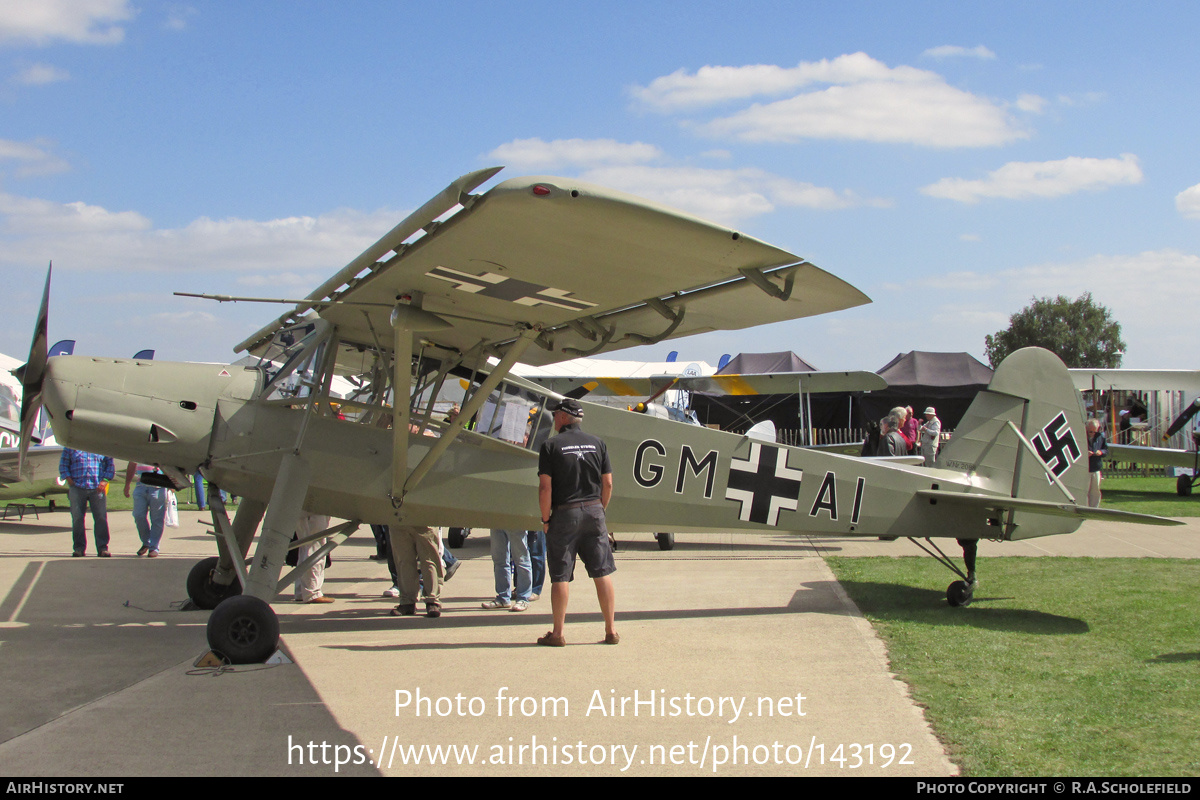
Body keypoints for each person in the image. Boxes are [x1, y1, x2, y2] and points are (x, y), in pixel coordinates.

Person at [536, 397, 616, 647]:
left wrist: (545, 518)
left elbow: (544, 488)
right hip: (594, 511)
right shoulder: (598, 443)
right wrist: (599, 509)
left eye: (555, 414)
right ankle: (611, 630)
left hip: (564, 514)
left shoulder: (550, 445)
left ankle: (558, 634)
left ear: (562, 417)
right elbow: (609, 483)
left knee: (560, 575)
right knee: (601, 572)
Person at [60, 448, 115, 557]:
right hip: (77, 487)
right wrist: (69, 479)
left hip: (97, 487)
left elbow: (110, 465)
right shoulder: (71, 447)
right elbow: (63, 464)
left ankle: (102, 548)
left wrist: (105, 480)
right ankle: (79, 548)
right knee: (77, 518)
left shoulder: (102, 445)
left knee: (101, 518)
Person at [388, 525, 443, 618]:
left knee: (430, 561)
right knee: (403, 561)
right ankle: (407, 602)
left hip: (425, 520)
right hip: (399, 520)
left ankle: (432, 601)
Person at [124, 462, 167, 557]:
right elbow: (132, 464)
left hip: (157, 486)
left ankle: (154, 547)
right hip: (141, 485)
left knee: (157, 518)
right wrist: (127, 484)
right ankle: (146, 542)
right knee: (138, 515)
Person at [483, 529, 532, 612]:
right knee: (499, 560)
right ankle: (503, 598)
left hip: (516, 521)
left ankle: (523, 599)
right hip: (497, 520)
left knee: (522, 560)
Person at [294, 512, 334, 604]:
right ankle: (311, 592)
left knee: (305, 546)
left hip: (304, 508)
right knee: (315, 545)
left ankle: (302, 590)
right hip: (314, 509)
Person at [1086, 418, 1107, 508]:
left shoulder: (1100, 437)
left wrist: (1101, 452)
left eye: (1095, 431)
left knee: (1095, 490)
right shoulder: (1082, 436)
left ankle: (1094, 508)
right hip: (1085, 467)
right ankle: (1083, 507)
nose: (1093, 434)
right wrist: (1085, 453)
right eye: (1090, 432)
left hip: (1096, 467)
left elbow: (1106, 450)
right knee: (1084, 490)